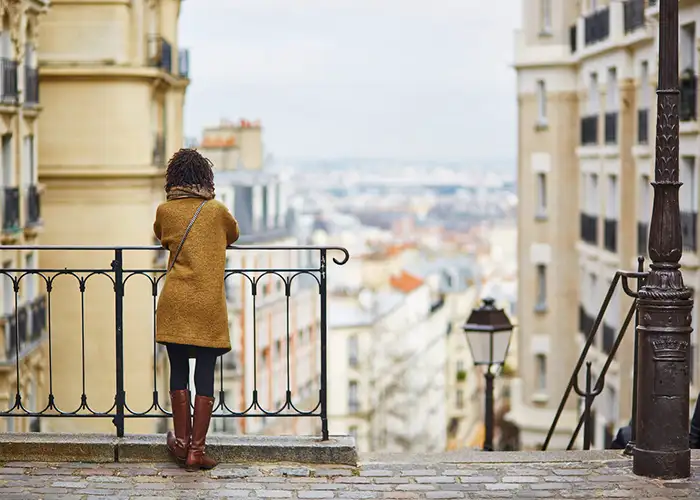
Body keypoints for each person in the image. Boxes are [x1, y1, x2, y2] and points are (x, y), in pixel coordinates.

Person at [153, 148, 239, 471]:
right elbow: (234, 234)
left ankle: (182, 443)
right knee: (205, 373)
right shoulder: (217, 211)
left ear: (173, 178)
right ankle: (196, 452)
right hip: (207, 306)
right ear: (206, 178)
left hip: (175, 303)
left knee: (178, 371)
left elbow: (161, 236)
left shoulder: (165, 211)